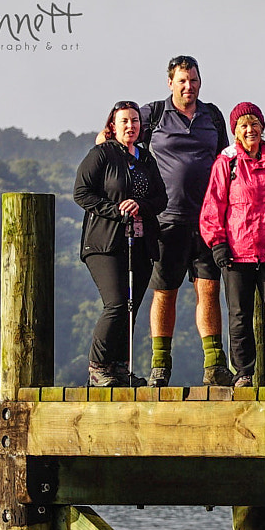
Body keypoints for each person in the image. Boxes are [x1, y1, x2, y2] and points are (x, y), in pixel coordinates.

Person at [136, 55, 234, 387]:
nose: (188, 86)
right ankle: (159, 365)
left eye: (193, 80)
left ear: (200, 81)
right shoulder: (153, 113)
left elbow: (225, 161)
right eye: (182, 81)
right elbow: (116, 141)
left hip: (207, 219)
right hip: (166, 220)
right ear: (170, 83)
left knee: (209, 289)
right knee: (165, 291)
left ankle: (215, 364)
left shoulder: (213, 116)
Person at [199, 103, 265, 387]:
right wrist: (218, 243)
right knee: (239, 316)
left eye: (255, 124)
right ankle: (244, 373)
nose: (250, 130)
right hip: (236, 253)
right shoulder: (226, 163)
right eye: (244, 125)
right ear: (235, 131)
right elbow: (213, 207)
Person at [74, 101, 167, 386]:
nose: (131, 126)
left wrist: (140, 205)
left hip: (139, 244)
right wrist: (116, 210)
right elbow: (81, 192)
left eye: (135, 121)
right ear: (113, 126)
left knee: (130, 308)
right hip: (105, 244)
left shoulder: (146, 159)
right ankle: (98, 366)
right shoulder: (101, 154)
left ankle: (119, 367)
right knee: (115, 304)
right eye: (125, 121)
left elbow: (161, 199)